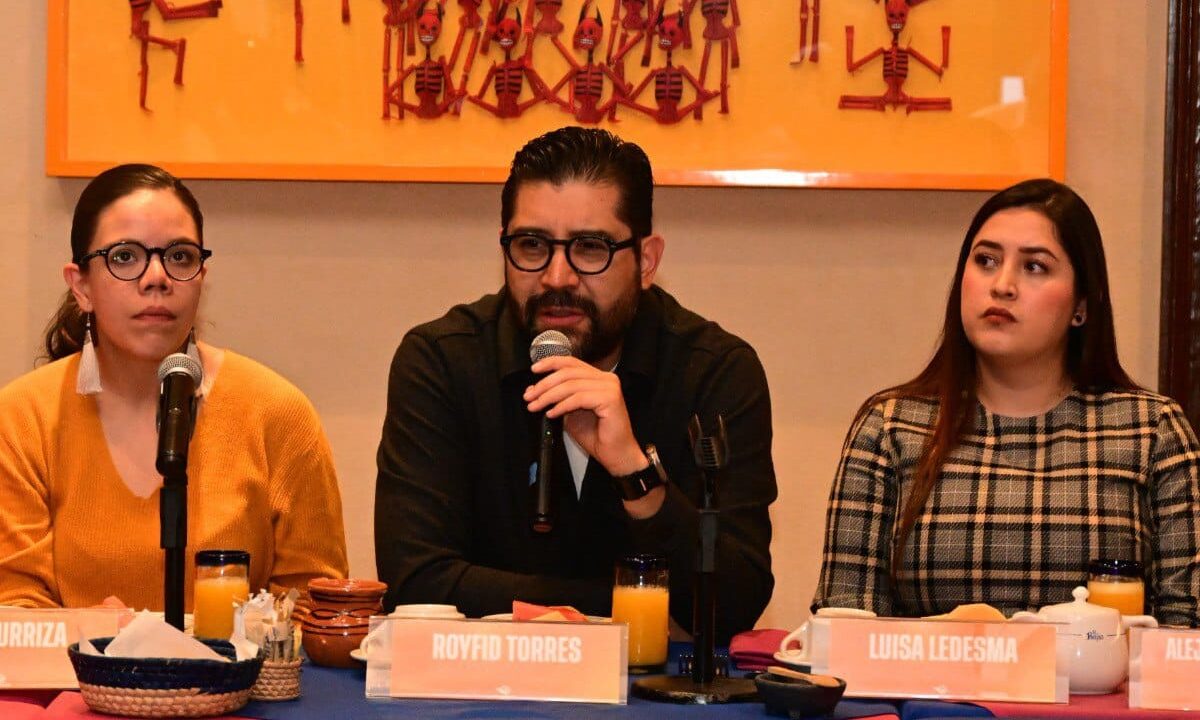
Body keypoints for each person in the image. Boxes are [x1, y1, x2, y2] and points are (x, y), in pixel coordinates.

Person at [375, 127, 776, 641]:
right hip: (484, 691)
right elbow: (416, 585)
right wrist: (639, 611)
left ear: (647, 261)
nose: (557, 277)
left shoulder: (716, 371)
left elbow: (734, 602)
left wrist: (636, 473)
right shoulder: (440, 362)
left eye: (590, 248)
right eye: (532, 245)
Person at [813, 179, 1200, 626]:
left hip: (1097, 695)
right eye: (986, 261)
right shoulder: (891, 427)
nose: (1002, 285)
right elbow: (844, 626)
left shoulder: (1151, 430)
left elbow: (1187, 635)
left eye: (1034, 267)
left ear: (1082, 305)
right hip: (930, 696)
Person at [0, 164, 348, 609]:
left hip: (238, 678)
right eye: (125, 256)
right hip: (76, 677)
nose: (156, 277)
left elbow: (314, 602)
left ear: (201, 278)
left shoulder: (278, 413)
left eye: (180, 256)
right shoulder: (23, 418)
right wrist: (100, 640)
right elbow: (14, 605)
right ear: (80, 286)